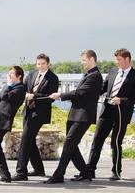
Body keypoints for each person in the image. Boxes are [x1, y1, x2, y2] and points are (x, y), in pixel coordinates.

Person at [44, 50, 103, 184]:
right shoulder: (88, 74)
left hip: (83, 116)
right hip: (75, 114)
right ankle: (85, 172)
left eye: (84, 60)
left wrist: (60, 95)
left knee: (69, 143)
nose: (82, 63)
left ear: (92, 59)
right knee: (72, 145)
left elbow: (80, 92)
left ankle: (59, 174)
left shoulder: (95, 76)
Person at [85, 48, 135, 180]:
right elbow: (103, 88)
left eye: (119, 60)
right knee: (97, 139)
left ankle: (116, 171)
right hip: (106, 111)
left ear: (127, 59)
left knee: (116, 142)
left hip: (121, 113)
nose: (117, 62)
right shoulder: (112, 72)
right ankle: (90, 169)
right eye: (116, 60)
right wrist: (91, 94)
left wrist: (122, 100)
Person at [12, 54, 59, 181]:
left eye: (43, 64)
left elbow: (49, 98)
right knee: (30, 140)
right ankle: (38, 169)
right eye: (38, 63)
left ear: (48, 64)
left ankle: (21, 172)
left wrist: (34, 96)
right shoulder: (32, 73)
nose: (40, 66)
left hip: (39, 113)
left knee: (26, 139)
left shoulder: (53, 78)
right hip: (28, 111)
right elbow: (23, 87)